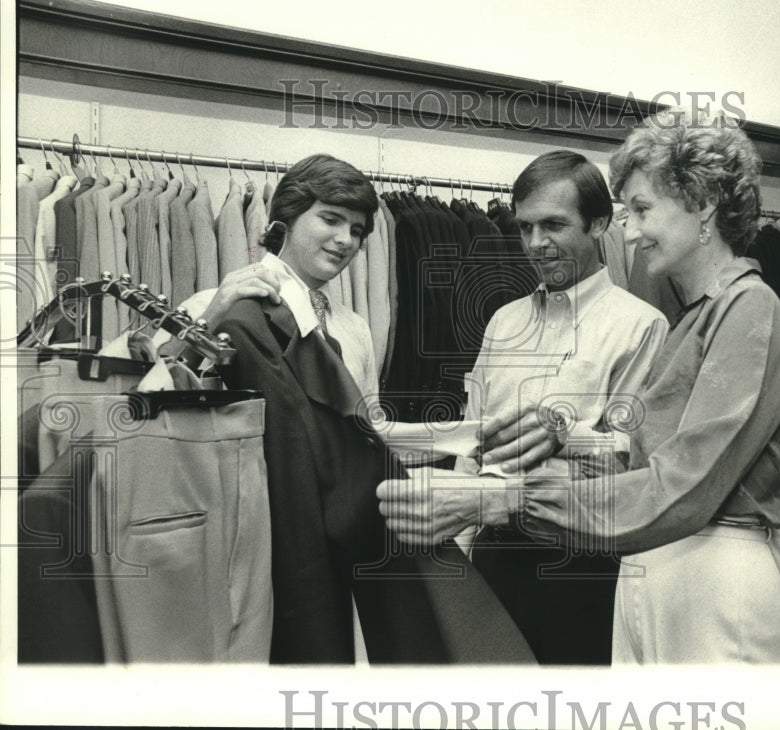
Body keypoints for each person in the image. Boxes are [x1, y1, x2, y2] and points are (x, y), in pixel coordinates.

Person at [379, 114, 780, 664]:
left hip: (713, 580)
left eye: (642, 210)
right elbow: (637, 461)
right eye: (627, 213)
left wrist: (506, 496)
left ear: (703, 205)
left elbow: (682, 487)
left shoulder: (751, 311)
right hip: (659, 570)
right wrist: (563, 434)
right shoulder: (696, 319)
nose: (628, 232)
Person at [200, 154, 535, 664]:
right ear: (285, 218)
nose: (344, 241)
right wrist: (208, 319)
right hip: (248, 525)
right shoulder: (220, 301)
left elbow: (361, 437)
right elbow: (155, 398)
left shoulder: (354, 330)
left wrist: (468, 434)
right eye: (329, 219)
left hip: (325, 535)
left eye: (357, 230)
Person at [379, 150, 668, 664]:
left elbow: (633, 462)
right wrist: (462, 555)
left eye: (554, 225)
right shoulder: (502, 322)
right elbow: (473, 444)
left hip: (581, 561)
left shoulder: (641, 326)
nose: (537, 244)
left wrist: (563, 433)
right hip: (493, 554)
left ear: (599, 222)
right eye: (526, 227)